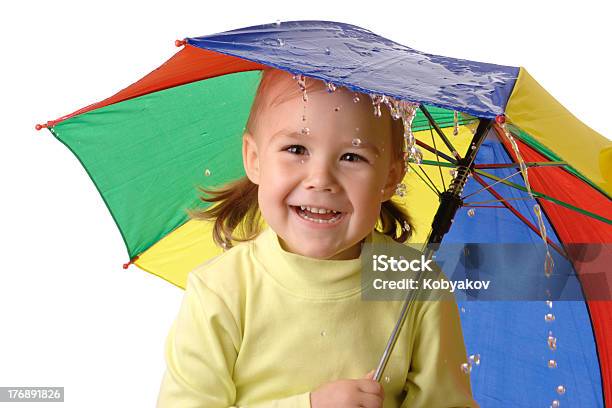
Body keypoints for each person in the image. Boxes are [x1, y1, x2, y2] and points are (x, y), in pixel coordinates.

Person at [156, 68, 477, 408]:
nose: (321, 179)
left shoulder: (417, 285)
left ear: (390, 177)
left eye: (352, 157)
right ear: (254, 159)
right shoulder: (221, 290)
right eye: (296, 149)